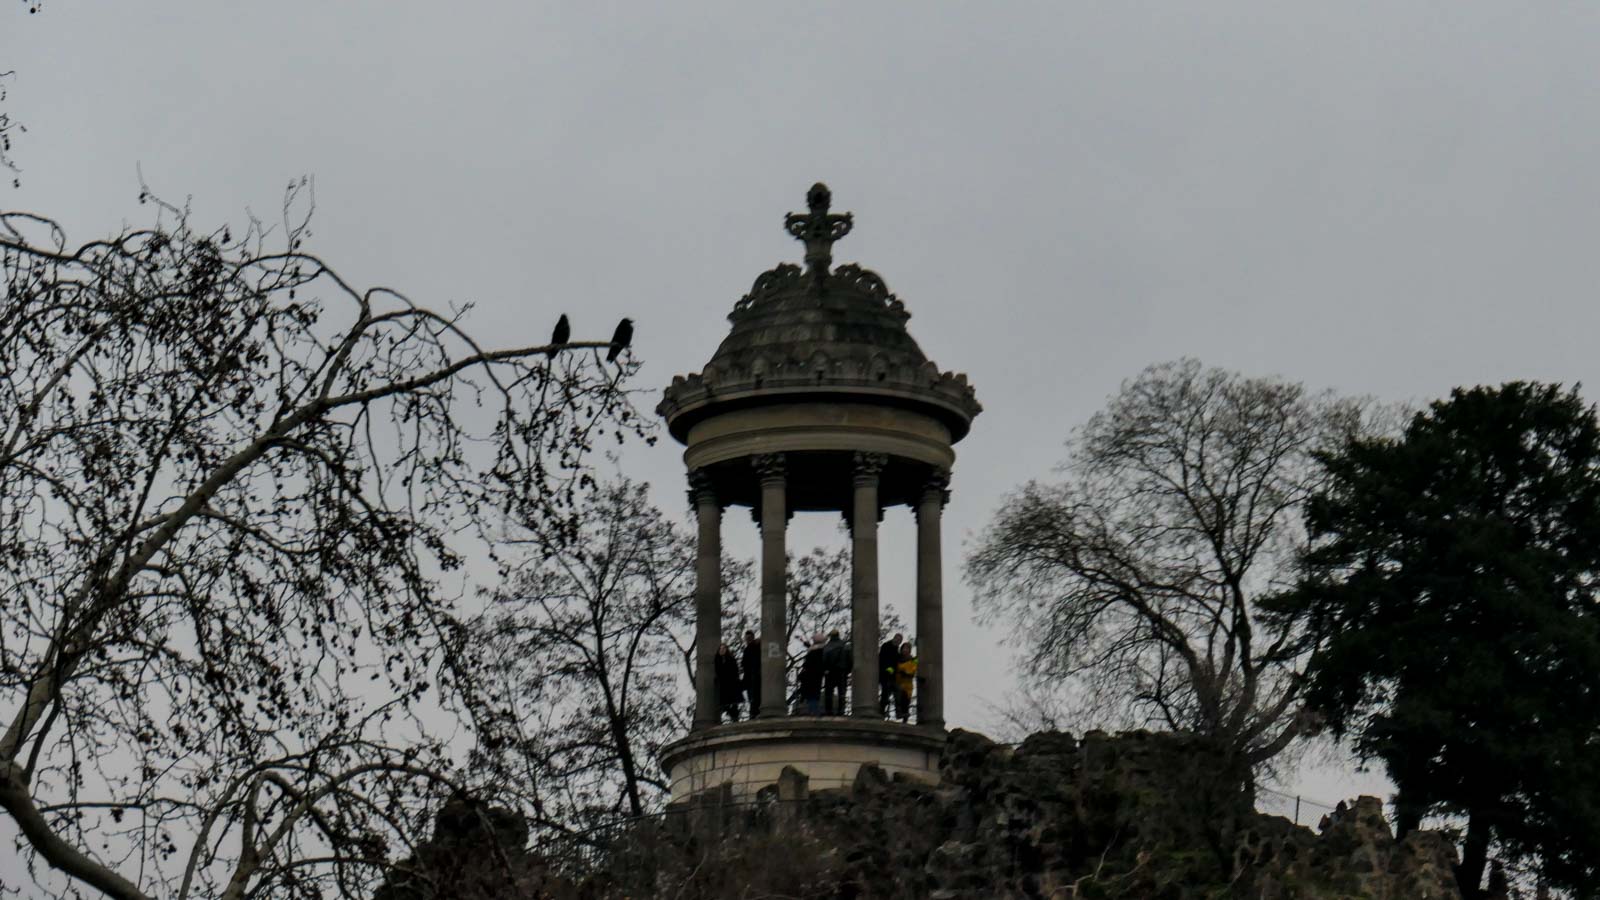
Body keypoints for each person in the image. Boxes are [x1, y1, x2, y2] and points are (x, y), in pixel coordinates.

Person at [821, 629, 850, 715]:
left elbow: (823, 660)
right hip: (842, 672)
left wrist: (825, 670)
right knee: (842, 692)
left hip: (830, 672)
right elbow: (850, 660)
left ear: (831, 636)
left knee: (829, 692)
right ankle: (841, 711)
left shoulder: (827, 647)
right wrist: (847, 671)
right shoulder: (845, 646)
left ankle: (828, 711)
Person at [798, 632, 827, 715]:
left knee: (811, 694)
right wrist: (803, 641)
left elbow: (808, 662)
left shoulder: (813, 651)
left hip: (810, 674)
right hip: (818, 674)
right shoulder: (823, 650)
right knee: (815, 693)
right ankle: (814, 710)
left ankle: (812, 711)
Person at [713, 642, 742, 723]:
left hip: (732, 683)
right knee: (724, 704)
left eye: (723, 648)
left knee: (734, 703)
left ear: (726, 650)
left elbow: (735, 671)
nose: (722, 650)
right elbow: (718, 671)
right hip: (723, 685)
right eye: (720, 649)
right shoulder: (717, 660)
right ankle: (733, 716)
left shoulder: (731, 659)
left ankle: (735, 719)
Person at [878, 633, 903, 716]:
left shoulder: (896, 650)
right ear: (894, 638)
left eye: (900, 641)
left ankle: (898, 712)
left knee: (897, 692)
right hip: (884, 675)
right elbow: (882, 659)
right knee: (885, 693)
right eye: (897, 639)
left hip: (892, 676)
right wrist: (887, 668)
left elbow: (897, 661)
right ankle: (881, 711)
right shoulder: (886, 646)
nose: (898, 642)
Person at [894, 641, 918, 723]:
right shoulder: (897, 659)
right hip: (898, 682)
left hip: (908, 684)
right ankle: (899, 714)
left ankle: (905, 719)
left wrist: (907, 673)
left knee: (906, 701)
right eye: (904, 648)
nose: (905, 650)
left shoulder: (914, 659)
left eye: (907, 648)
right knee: (899, 699)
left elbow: (914, 669)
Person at [740, 630, 761, 717]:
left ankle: (754, 714)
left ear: (752, 637)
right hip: (749, 677)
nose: (747, 639)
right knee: (752, 697)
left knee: (755, 697)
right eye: (746, 638)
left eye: (749, 638)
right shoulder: (747, 649)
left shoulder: (757, 646)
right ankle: (753, 713)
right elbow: (744, 664)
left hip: (755, 676)